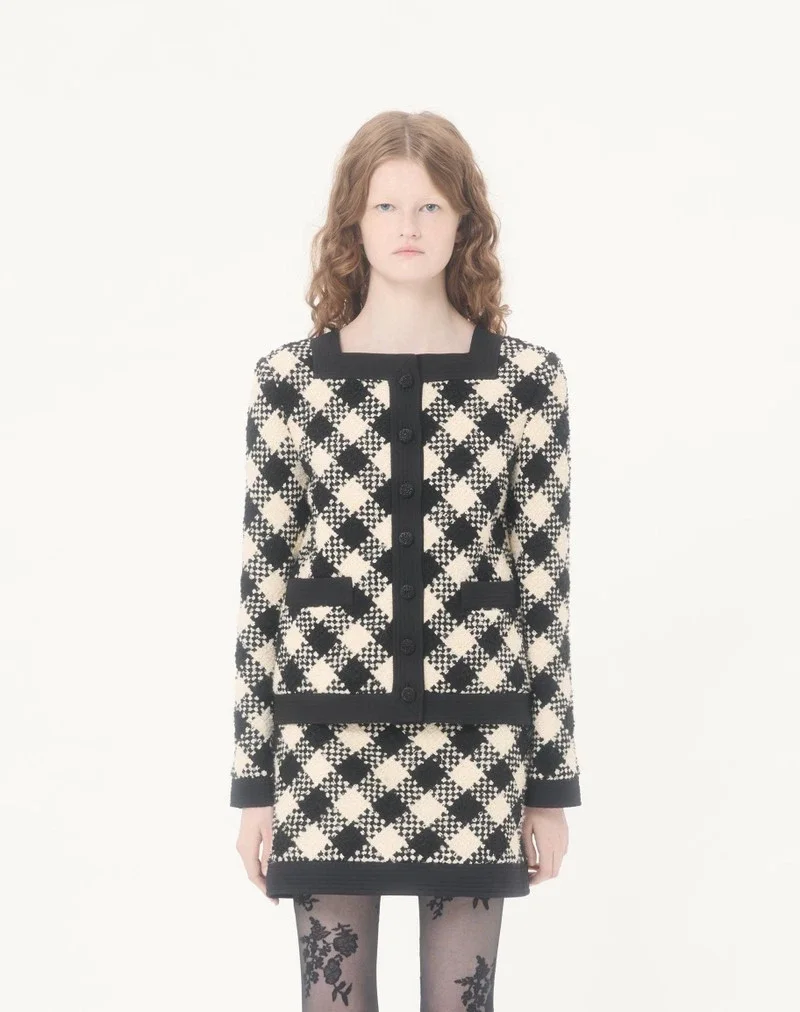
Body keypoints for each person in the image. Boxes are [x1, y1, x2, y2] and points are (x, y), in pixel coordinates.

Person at [229, 109, 582, 1011]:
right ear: (354, 222)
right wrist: (255, 784)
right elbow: (265, 586)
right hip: (322, 741)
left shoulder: (526, 381)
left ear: (465, 222)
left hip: (478, 739)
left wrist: (548, 787)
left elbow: (543, 588)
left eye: (430, 207)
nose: (409, 227)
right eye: (387, 207)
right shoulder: (289, 381)